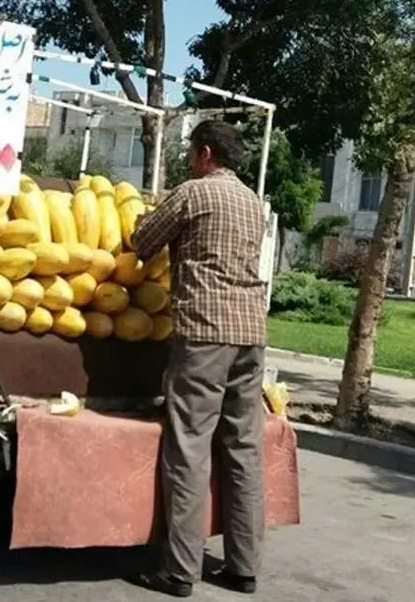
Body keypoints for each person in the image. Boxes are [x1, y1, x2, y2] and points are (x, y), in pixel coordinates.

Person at [129, 119, 269, 598]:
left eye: (191, 151)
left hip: (206, 332)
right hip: (251, 333)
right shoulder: (254, 202)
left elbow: (142, 241)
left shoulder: (193, 193)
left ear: (205, 153)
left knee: (189, 445)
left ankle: (179, 570)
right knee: (244, 447)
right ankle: (243, 567)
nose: (190, 158)